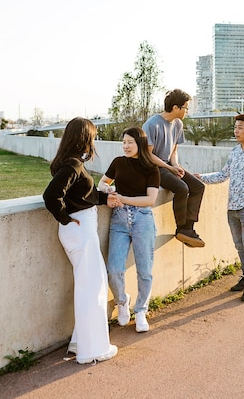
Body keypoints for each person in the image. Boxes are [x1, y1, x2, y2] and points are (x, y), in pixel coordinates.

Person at [43, 117, 120, 364]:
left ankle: (81, 342)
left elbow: (80, 194)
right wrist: (66, 218)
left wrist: (103, 198)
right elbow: (52, 195)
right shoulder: (73, 165)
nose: (94, 141)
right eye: (93, 136)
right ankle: (93, 350)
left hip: (79, 229)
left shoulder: (69, 163)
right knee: (92, 288)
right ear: (85, 138)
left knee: (88, 285)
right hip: (79, 230)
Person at [196, 114, 244, 302]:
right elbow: (223, 175)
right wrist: (201, 178)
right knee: (239, 246)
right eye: (235, 127)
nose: (236, 131)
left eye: (240, 128)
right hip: (232, 207)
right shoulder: (235, 152)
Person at [98, 127, 160, 333]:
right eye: (124, 142)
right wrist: (109, 190)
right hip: (119, 221)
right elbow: (102, 183)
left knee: (145, 270)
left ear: (140, 144)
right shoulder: (118, 162)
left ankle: (141, 310)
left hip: (143, 220)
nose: (126, 146)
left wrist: (122, 198)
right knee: (113, 269)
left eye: (130, 142)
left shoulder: (151, 167)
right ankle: (122, 302)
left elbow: (150, 200)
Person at [142, 89, 206, 247]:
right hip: (153, 167)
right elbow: (148, 155)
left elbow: (174, 151)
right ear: (176, 108)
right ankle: (180, 229)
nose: (187, 111)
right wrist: (169, 168)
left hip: (169, 165)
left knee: (198, 186)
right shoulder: (152, 124)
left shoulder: (178, 124)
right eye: (186, 108)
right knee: (182, 188)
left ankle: (188, 228)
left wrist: (176, 166)